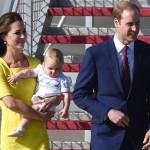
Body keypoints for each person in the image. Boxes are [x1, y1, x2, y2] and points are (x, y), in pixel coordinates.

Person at [73, 1, 150, 150]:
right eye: (129, 24)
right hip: (105, 139)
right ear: (116, 22)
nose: (135, 29)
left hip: (139, 139)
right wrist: (107, 112)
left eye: (137, 23)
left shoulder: (147, 53)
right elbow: (80, 95)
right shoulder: (95, 54)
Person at [0, 12, 59, 149]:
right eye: (17, 33)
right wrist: (40, 116)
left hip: (39, 139)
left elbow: (53, 87)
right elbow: (11, 103)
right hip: (13, 142)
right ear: (4, 36)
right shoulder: (1, 66)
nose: (23, 36)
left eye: (24, 32)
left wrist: (55, 98)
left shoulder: (36, 63)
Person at [7, 47, 71, 137]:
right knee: (33, 109)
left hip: (50, 105)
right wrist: (18, 75)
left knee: (33, 109)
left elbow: (66, 95)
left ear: (62, 66)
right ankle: (22, 128)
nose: (54, 72)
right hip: (39, 99)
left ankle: (21, 128)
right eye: (51, 68)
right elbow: (29, 72)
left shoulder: (62, 78)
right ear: (44, 64)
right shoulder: (41, 70)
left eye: (58, 69)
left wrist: (65, 108)